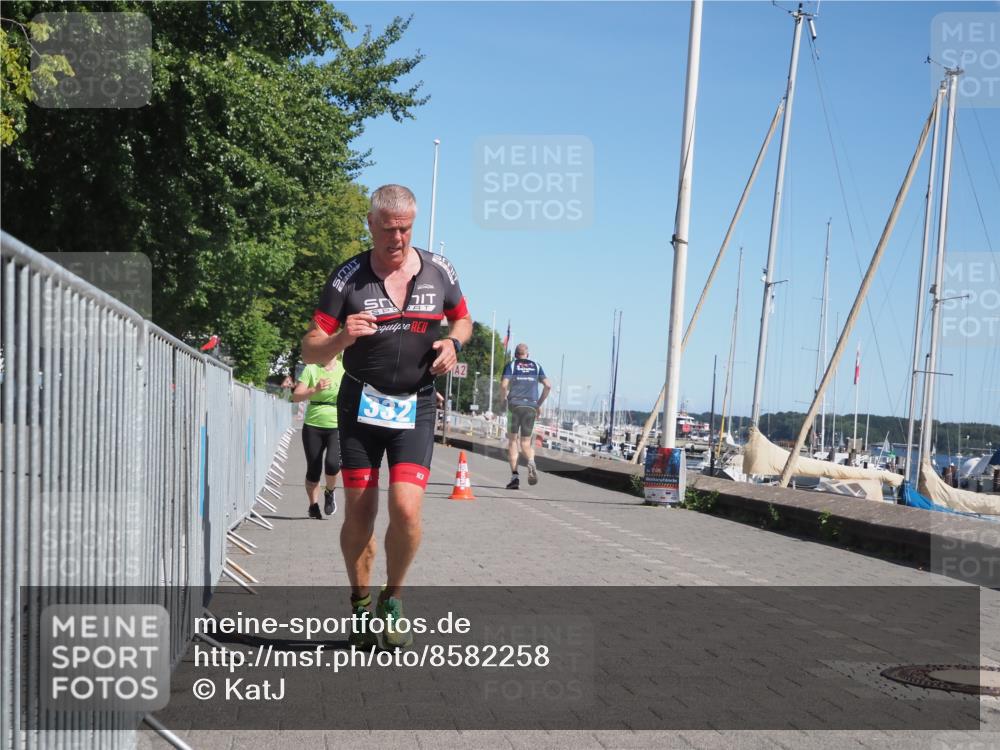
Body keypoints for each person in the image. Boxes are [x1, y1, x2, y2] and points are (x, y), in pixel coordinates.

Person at [301, 184, 472, 649]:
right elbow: (309, 345)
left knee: (406, 509)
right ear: (370, 224)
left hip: (415, 405)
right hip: (359, 406)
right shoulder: (348, 278)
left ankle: (392, 597)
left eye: (406, 229)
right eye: (389, 229)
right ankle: (359, 601)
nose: (398, 239)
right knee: (360, 512)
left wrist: (453, 344)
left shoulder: (439, 270)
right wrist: (340, 340)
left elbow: (463, 319)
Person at [290, 356, 345, 519]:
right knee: (313, 469)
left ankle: (329, 491)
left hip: (337, 424)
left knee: (333, 464)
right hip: (313, 424)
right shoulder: (311, 369)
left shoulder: (344, 369)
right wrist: (315, 389)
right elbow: (296, 396)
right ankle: (313, 505)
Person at [500, 343, 551, 490]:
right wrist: (538, 404)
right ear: (528, 355)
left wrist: (503, 401)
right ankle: (531, 461)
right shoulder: (536, 365)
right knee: (526, 443)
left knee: (512, 441)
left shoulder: (512, 365)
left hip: (514, 406)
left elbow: (504, 385)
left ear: (515, 354)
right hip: (530, 407)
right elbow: (548, 385)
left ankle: (515, 477)